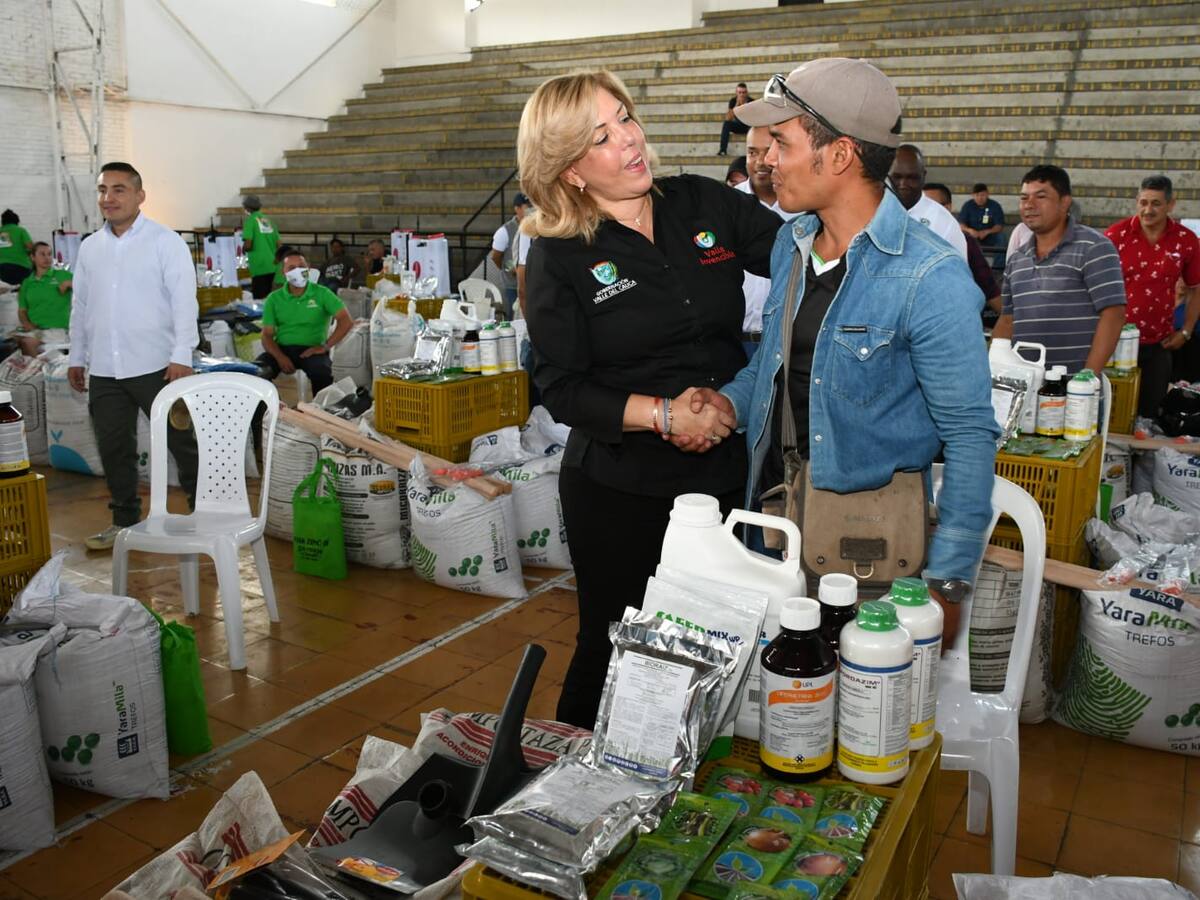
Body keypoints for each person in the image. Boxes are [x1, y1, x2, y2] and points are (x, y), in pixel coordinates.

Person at [687, 58, 997, 644]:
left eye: (781, 141)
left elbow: (970, 435)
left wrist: (949, 582)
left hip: (867, 561)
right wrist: (724, 405)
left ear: (839, 155)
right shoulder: (791, 243)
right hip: (774, 527)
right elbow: (772, 367)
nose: (767, 159)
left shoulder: (930, 276)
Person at [519, 69, 783, 728]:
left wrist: (730, 405)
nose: (630, 141)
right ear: (571, 169)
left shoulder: (701, 203)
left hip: (727, 469)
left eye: (626, 119)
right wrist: (665, 415)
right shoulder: (559, 253)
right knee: (611, 648)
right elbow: (560, 385)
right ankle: (566, 789)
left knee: (718, 648)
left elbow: (799, 256)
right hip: (621, 488)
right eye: (601, 136)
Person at [68, 162, 200, 551]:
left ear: (140, 196)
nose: (109, 198)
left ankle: (203, 516)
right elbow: (81, 306)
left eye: (119, 189)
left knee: (182, 442)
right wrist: (78, 354)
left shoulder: (164, 242)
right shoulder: (91, 247)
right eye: (103, 189)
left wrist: (181, 354)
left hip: (158, 366)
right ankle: (124, 521)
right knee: (114, 448)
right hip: (106, 369)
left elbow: (183, 302)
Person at [993, 165, 1126, 374]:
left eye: (1040, 196)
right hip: (1023, 385)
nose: (1029, 205)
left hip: (1075, 391)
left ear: (1065, 202)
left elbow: (1113, 314)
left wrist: (1087, 379)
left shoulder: (1094, 247)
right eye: (1024, 198)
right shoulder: (1017, 259)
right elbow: (1008, 319)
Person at [1105, 175, 1200, 415]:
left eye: (1156, 203)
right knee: (1110, 411)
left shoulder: (1186, 241)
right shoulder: (1115, 236)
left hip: (1159, 343)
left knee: (1150, 413)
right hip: (1113, 341)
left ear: (1171, 204)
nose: (1148, 210)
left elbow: (1197, 287)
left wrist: (1186, 331)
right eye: (1143, 202)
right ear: (1136, 201)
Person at [256, 249, 354, 394]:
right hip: (282, 348)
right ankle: (275, 410)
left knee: (322, 373)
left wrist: (325, 346)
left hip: (312, 349)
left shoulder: (322, 293)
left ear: (308, 268)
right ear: (283, 273)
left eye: (301, 266)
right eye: (291, 268)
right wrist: (280, 357)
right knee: (257, 372)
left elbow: (346, 320)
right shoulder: (274, 299)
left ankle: (319, 411)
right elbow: (267, 335)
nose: (298, 271)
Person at [736, 125, 791, 351]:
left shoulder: (803, 208)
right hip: (736, 343)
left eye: (768, 151)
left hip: (783, 344)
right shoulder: (727, 204)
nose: (760, 162)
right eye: (752, 152)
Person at [925, 182, 1001, 320]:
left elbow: (988, 286)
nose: (923, 213)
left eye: (930, 206)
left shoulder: (964, 243)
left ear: (947, 208)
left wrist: (1008, 320)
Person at [887, 144, 968, 259]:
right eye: (897, 177)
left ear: (923, 176)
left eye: (912, 178)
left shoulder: (944, 222)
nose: (903, 184)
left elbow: (958, 272)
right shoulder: (871, 211)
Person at [16, 241, 72, 355]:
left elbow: (90, 286)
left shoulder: (62, 275)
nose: (47, 258)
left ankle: (36, 369)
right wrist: (27, 324)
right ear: (32, 257)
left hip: (57, 329)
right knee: (10, 343)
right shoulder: (27, 283)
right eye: (42, 254)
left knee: (27, 343)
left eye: (49, 254)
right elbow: (22, 310)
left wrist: (69, 283)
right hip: (36, 330)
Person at [489, 193, 532, 318]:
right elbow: (496, 257)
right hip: (513, 285)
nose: (531, 210)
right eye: (527, 207)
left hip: (533, 284)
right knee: (514, 317)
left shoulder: (536, 227)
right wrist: (509, 269)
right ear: (517, 209)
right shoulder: (505, 231)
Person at [240, 195, 279, 300]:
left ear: (247, 208)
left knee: (260, 300)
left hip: (259, 266)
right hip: (273, 264)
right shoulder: (268, 221)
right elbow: (278, 243)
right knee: (271, 298)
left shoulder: (251, 221)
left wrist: (244, 248)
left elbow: (248, 244)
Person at [960, 182, 1005, 248]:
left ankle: (999, 258)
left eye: (982, 195)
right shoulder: (967, 206)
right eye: (977, 195)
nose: (980, 198)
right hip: (972, 236)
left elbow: (999, 226)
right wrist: (970, 230)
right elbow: (961, 224)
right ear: (973, 195)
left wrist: (986, 232)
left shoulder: (995, 206)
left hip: (989, 236)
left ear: (987, 194)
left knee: (1001, 237)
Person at [0, 209, 34, 286]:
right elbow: (31, 247)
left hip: (2, 269)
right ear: (16, 221)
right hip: (21, 268)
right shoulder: (20, 230)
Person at [718, 82, 751, 156]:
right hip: (738, 126)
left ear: (747, 93)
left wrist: (746, 107)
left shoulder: (751, 101)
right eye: (740, 92)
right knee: (727, 124)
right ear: (736, 93)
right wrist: (736, 105)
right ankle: (723, 150)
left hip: (749, 126)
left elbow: (754, 118)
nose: (742, 95)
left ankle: (751, 152)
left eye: (744, 92)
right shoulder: (733, 101)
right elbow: (728, 118)